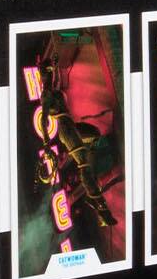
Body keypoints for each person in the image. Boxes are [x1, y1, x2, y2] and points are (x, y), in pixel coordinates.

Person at [38, 59, 117, 226]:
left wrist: (56, 66)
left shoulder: (53, 89)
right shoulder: (46, 95)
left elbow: (56, 80)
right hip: (66, 130)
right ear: (44, 75)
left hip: (71, 126)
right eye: (48, 71)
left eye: (51, 71)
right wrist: (46, 142)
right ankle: (99, 204)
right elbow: (43, 119)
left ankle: (91, 179)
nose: (51, 73)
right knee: (83, 164)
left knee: (94, 135)